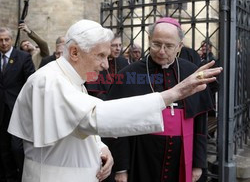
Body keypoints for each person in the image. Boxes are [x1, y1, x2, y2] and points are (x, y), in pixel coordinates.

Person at [7, 19, 222, 182]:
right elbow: (94, 117)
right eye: (101, 56)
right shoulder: (49, 81)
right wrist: (172, 94)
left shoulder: (72, 80)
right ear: (74, 52)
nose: (106, 66)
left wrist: (101, 148)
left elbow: (78, 124)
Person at [106, 17, 217, 182]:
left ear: (179, 46)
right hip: (142, 156)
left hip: (181, 157)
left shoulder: (191, 72)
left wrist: (198, 164)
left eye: (169, 46)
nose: (161, 51)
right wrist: (122, 168)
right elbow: (117, 127)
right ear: (149, 40)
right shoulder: (129, 74)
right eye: (156, 44)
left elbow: (200, 124)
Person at [0, 27, 35, 182]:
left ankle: (23, 176)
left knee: (17, 148)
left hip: (17, 109)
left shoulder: (22, 57)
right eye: (0, 40)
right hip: (1, 111)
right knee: (4, 149)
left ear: (11, 39)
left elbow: (31, 83)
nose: (3, 43)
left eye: (6, 39)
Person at [85, 33, 128, 100]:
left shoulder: (123, 62)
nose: (118, 48)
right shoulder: (95, 62)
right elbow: (94, 91)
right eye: (114, 45)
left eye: (120, 45)